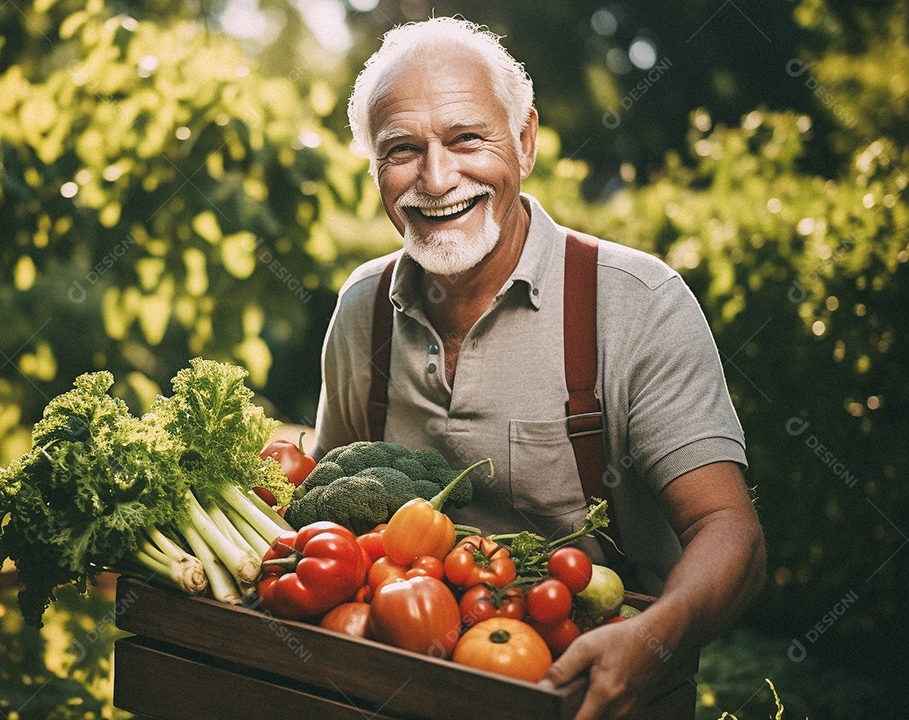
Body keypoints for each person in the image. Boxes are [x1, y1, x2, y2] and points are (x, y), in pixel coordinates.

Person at [310, 16, 766, 720]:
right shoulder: (363, 309)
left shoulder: (636, 304)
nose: (436, 178)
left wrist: (655, 639)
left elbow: (730, 532)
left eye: (466, 138)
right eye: (402, 149)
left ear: (524, 141)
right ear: (375, 170)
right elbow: (329, 518)